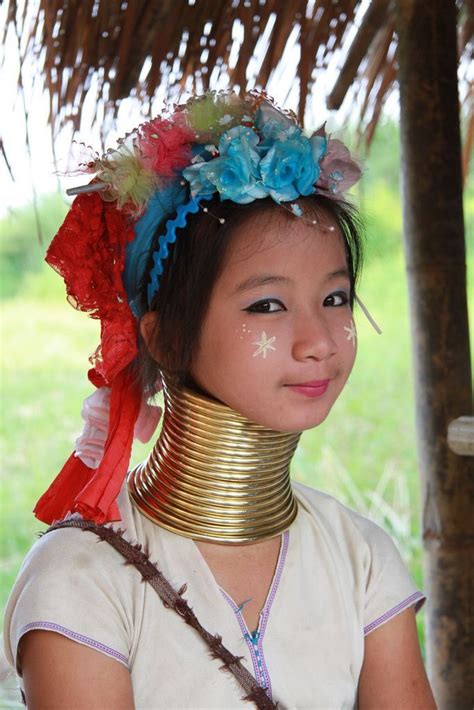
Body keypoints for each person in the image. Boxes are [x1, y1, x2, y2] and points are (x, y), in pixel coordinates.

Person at [3, 91, 435, 709]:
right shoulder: (82, 580)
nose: (317, 341)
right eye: (267, 305)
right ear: (168, 337)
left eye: (335, 298)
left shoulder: (359, 557)